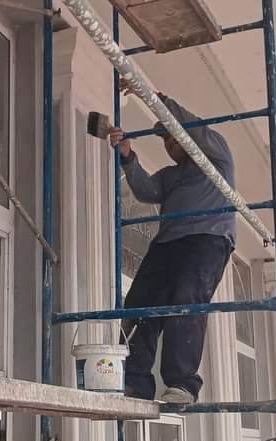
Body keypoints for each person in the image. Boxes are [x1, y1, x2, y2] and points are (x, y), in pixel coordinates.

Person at [109, 81, 236, 404]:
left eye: (169, 136)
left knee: (186, 301)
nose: (166, 144)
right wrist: (128, 156)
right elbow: (147, 192)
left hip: (207, 239)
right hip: (167, 244)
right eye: (163, 139)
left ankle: (182, 384)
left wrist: (150, 96)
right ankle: (135, 382)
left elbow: (194, 128)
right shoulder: (170, 175)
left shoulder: (216, 156)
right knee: (139, 305)